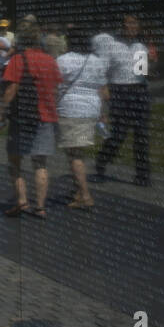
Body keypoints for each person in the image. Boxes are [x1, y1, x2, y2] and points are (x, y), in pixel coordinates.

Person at [0, 17, 61, 219]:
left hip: (21, 118)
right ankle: (40, 207)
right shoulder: (50, 60)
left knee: (15, 162)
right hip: (46, 116)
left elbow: (11, 89)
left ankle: (22, 202)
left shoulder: (17, 60)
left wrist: (0, 112)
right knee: (40, 163)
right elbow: (56, 88)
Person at [93, 13, 151, 186]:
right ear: (122, 26)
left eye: (135, 24)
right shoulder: (112, 46)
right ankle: (102, 160)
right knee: (119, 134)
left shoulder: (140, 46)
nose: (132, 27)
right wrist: (104, 90)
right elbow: (101, 70)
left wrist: (152, 65)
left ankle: (142, 175)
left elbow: (143, 72)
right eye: (129, 24)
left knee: (142, 135)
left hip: (139, 91)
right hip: (119, 91)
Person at [56, 27, 108, 208]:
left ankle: (85, 195)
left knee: (74, 154)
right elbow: (103, 90)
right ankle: (78, 190)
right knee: (79, 152)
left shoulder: (63, 60)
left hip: (71, 109)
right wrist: (102, 113)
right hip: (91, 109)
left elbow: (56, 84)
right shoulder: (97, 61)